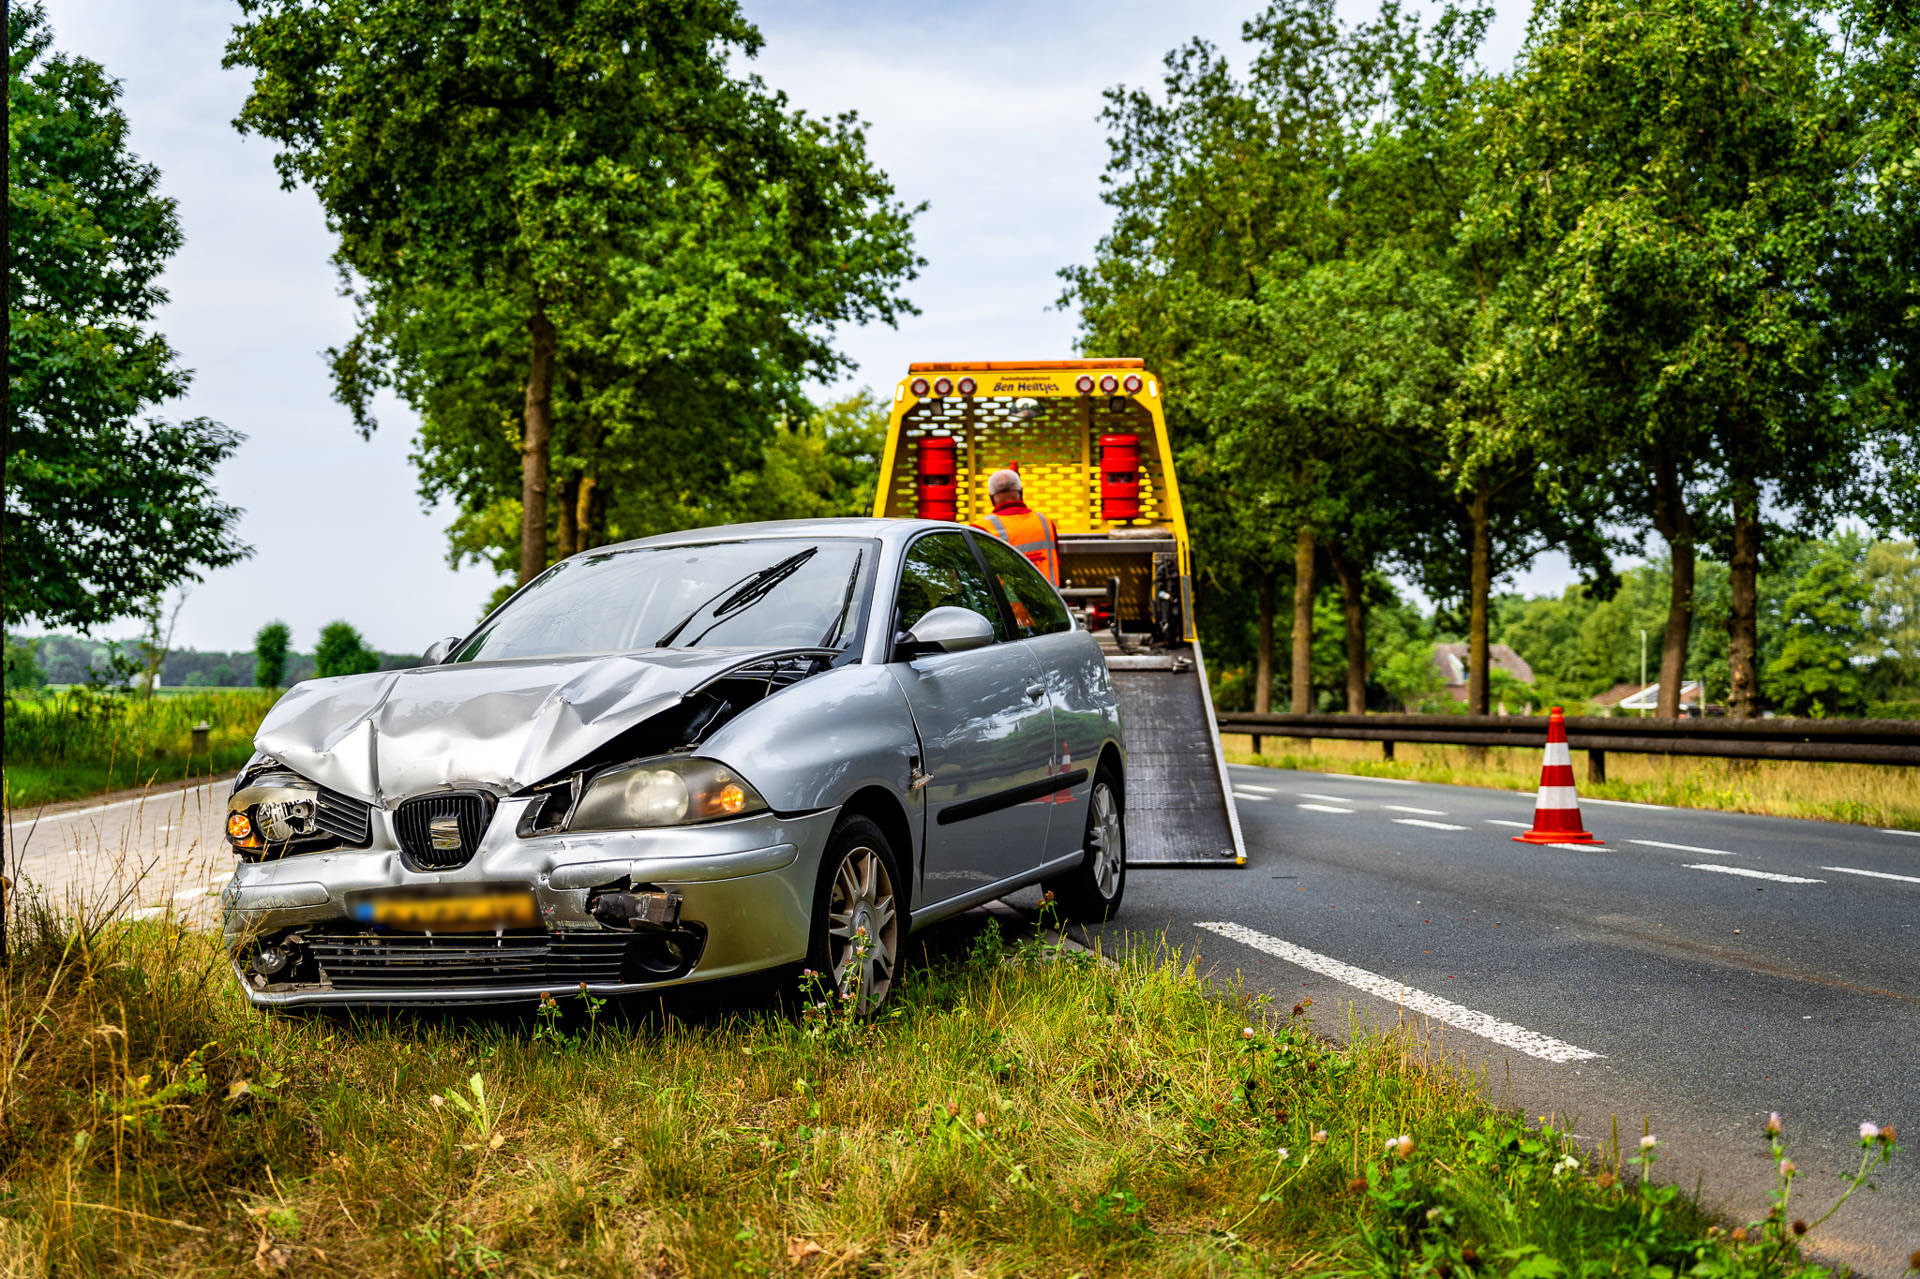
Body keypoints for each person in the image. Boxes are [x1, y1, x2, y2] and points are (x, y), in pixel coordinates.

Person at [972, 468, 1062, 585]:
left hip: (1009, 603)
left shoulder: (981, 529)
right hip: (1050, 601)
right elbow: (1056, 563)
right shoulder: (1045, 522)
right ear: (1021, 492)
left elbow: (976, 575)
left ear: (991, 497)